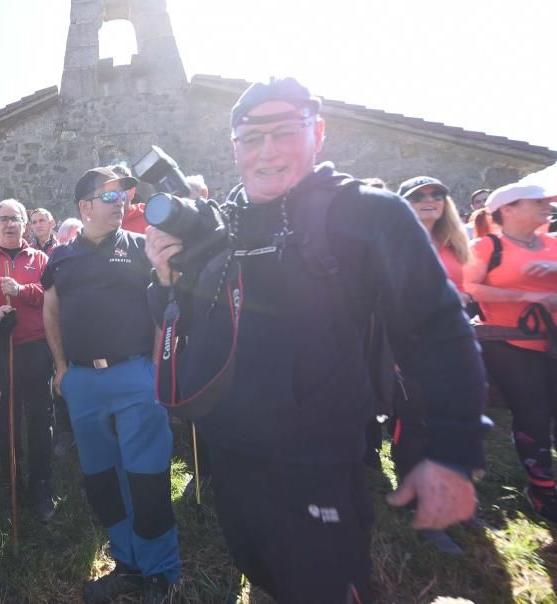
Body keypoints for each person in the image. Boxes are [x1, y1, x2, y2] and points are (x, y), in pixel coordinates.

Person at [145, 78, 486, 602]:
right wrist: (165, 280)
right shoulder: (225, 224)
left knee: (321, 585)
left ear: (318, 132)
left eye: (285, 132)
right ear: (234, 147)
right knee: (259, 571)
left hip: (317, 458)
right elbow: (188, 320)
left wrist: (453, 451)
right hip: (232, 452)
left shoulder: (366, 214)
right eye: (251, 138)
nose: (267, 151)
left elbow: (438, 330)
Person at [43, 166, 180, 603]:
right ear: (84, 207)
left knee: (148, 475)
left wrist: (159, 367)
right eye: (109, 196)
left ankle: (160, 572)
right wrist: (62, 368)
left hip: (136, 375)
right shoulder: (60, 258)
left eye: (123, 195)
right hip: (82, 382)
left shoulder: (142, 248)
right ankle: (128, 563)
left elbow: (165, 304)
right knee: (101, 478)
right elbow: (51, 311)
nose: (120, 202)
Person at [466, 182, 557, 521]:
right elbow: (470, 288)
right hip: (508, 342)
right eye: (538, 202)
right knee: (533, 415)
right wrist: (528, 297)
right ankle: (543, 489)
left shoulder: (553, 244)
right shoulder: (487, 247)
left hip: (553, 340)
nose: (547, 207)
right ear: (509, 209)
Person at [395, 176, 474, 553]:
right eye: (418, 196)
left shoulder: (456, 244)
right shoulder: (392, 245)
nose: (430, 201)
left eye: (437, 194)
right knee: (413, 427)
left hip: (453, 349)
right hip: (408, 349)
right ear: (402, 204)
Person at [0, 199, 55, 520]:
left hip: (35, 348)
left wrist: (22, 291)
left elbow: (52, 295)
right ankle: (11, 481)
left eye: (15, 219)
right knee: (6, 420)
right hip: (1, 351)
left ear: (24, 224)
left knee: (40, 418)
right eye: (3, 219)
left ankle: (41, 483)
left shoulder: (40, 258)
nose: (9, 224)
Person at [110, 165, 147, 235]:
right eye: (109, 189)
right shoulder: (98, 227)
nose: (115, 193)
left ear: (132, 192)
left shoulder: (150, 216)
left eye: (121, 188)